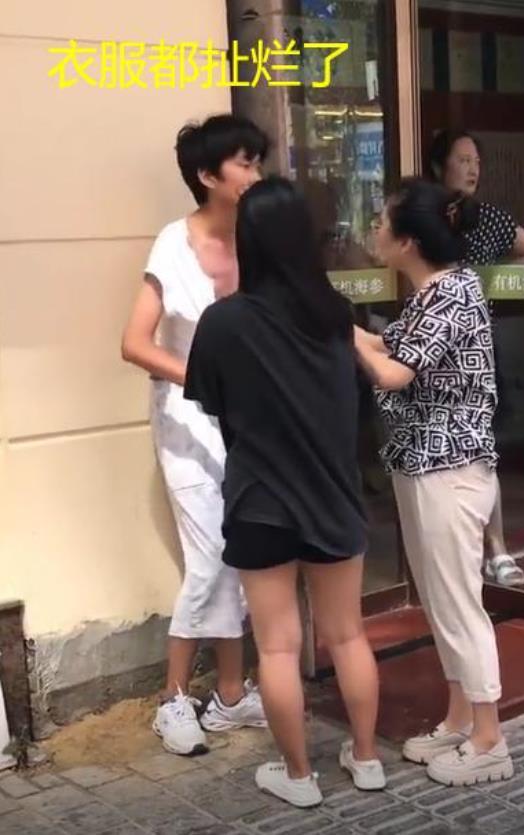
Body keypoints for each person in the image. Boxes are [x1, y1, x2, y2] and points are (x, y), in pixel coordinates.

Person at [184, 177, 385, 807]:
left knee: (276, 645)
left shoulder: (223, 322)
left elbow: (211, 404)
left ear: (248, 241)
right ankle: (367, 758)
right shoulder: (337, 318)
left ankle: (298, 777)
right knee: (348, 635)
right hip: (333, 495)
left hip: (259, 499)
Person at [354, 178, 513, 787]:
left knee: (459, 603)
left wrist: (344, 337)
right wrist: (340, 325)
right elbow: (388, 343)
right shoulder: (436, 291)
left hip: (449, 467)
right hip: (424, 462)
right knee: (442, 600)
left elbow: (394, 372)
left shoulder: (449, 292)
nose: (374, 230)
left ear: (409, 241)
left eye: (381, 221)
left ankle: (490, 739)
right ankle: (459, 718)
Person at [121, 115, 269, 756]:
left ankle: (230, 696)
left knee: (237, 551)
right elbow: (134, 343)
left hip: (249, 421)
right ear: (208, 175)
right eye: (245, 163)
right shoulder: (172, 244)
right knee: (209, 558)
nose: (256, 174)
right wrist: (203, 379)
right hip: (185, 421)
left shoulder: (259, 239)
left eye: (257, 161)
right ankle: (173, 697)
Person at [427, 129, 524, 588]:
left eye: (476, 161)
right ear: (438, 167)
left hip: (473, 349)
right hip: (428, 348)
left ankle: (497, 548)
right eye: (462, 160)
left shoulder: (489, 219)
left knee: (480, 451)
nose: (472, 168)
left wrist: (493, 276)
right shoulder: (423, 216)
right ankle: (457, 552)